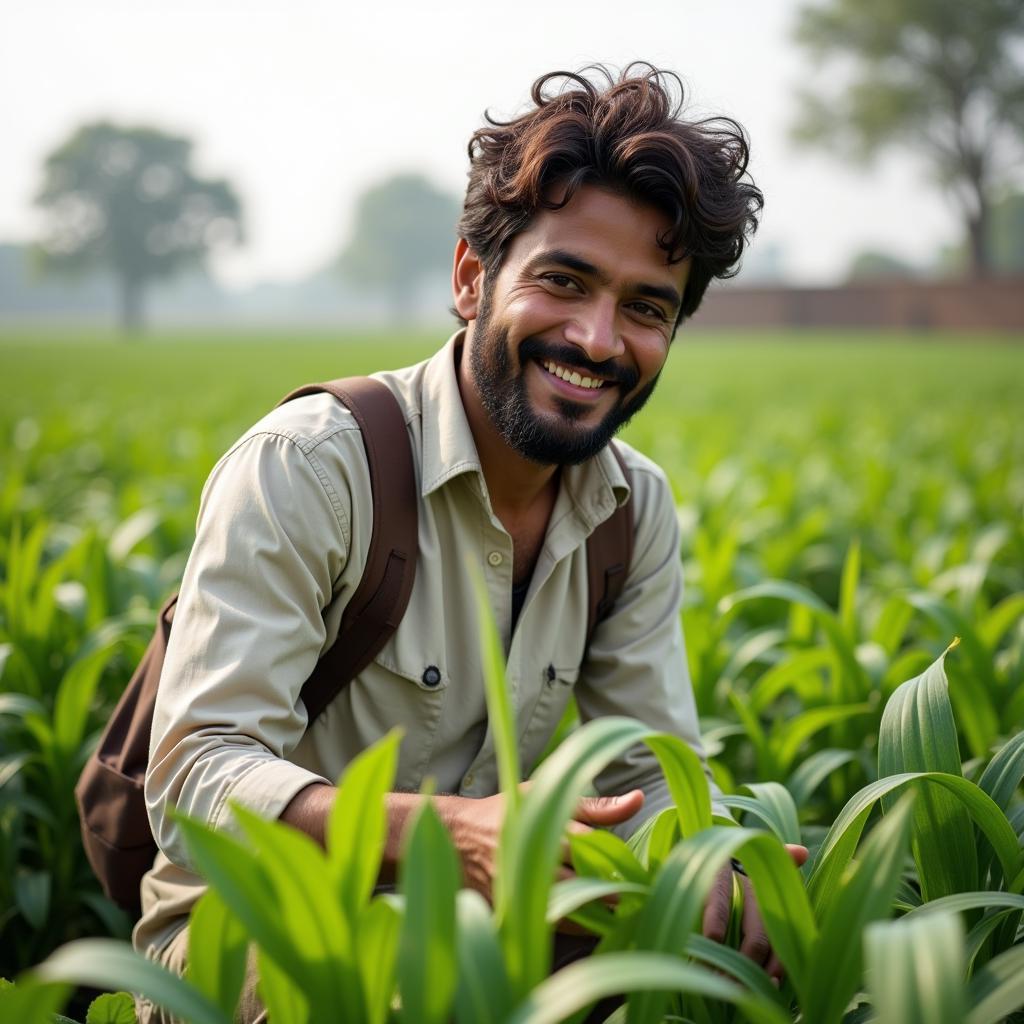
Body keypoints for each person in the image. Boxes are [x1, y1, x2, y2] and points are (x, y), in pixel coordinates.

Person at [134, 63, 806, 1024]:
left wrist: (710, 860)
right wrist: (454, 835)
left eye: (646, 308)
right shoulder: (313, 465)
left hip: (488, 925)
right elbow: (198, 779)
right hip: (255, 936)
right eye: (563, 281)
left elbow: (649, 772)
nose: (597, 339)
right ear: (470, 278)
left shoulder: (631, 509)